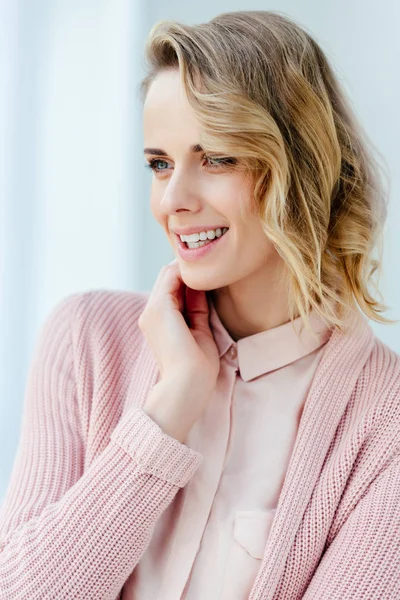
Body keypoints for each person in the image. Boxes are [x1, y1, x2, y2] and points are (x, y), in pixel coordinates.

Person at [0, 9, 399, 600]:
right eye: (159, 164)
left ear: (300, 167)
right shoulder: (84, 338)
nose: (173, 200)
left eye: (216, 158)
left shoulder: (385, 420)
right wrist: (170, 405)